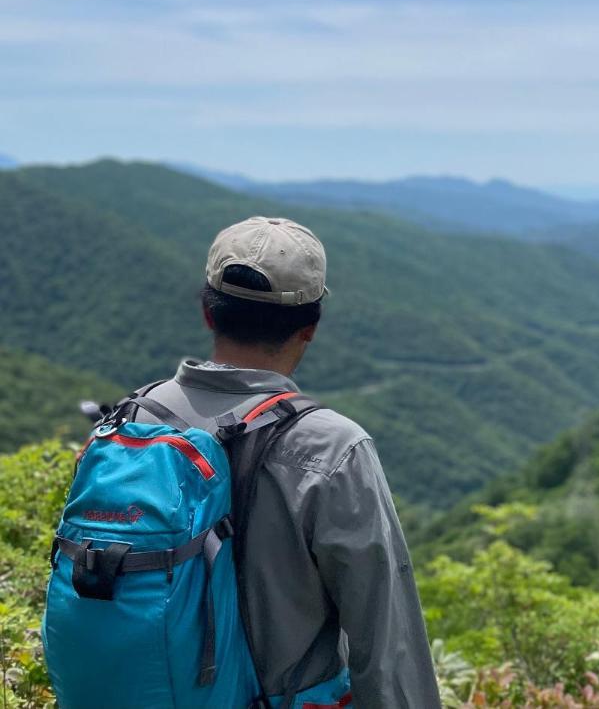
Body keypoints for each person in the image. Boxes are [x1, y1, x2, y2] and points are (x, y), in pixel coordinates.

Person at [138, 216, 441, 708]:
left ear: (208, 313)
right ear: (311, 328)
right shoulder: (331, 448)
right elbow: (387, 642)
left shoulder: (133, 420)